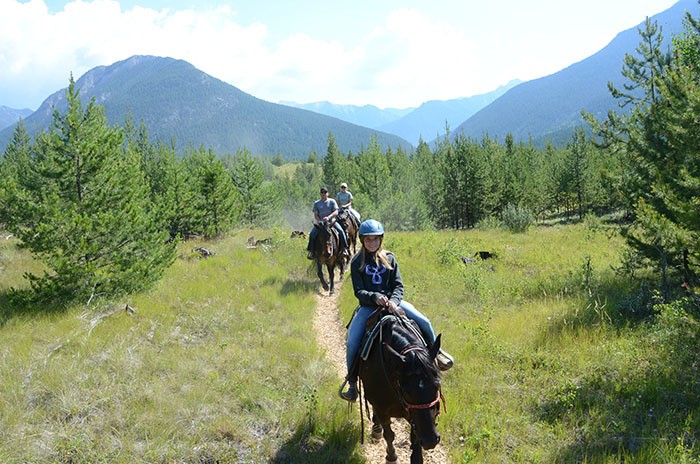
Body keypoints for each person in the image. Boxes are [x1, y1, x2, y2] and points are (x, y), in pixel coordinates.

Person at [339, 219, 454, 402]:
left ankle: (436, 355)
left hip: (393, 303)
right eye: (368, 240)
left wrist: (393, 300)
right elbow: (358, 291)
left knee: (424, 321)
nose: (372, 243)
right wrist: (374, 297)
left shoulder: (390, 258)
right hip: (369, 307)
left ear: (381, 239)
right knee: (352, 341)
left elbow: (398, 285)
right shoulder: (357, 262)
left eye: (375, 239)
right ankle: (352, 383)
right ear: (362, 240)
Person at [306, 187, 350, 260]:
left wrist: (329, 217)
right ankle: (311, 251)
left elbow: (336, 212)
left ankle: (344, 249)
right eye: (322, 192)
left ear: (328, 193)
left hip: (331, 222)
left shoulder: (332, 201)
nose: (324, 194)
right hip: (321, 224)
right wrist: (319, 220)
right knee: (312, 234)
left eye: (325, 192)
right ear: (320, 194)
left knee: (341, 231)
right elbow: (316, 214)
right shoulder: (317, 203)